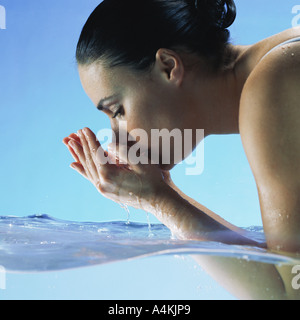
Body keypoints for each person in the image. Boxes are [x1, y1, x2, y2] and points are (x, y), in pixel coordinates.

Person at [63, 0, 300, 298]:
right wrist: (160, 194)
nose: (117, 142)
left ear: (168, 67)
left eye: (118, 111)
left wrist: (159, 200)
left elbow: (288, 291)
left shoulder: (276, 82)